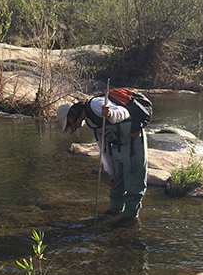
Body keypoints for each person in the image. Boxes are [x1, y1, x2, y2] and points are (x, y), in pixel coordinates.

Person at [57, 94, 148, 228]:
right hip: (117, 147)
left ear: (73, 114)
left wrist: (110, 113)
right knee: (116, 182)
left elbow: (124, 112)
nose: (72, 127)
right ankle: (114, 212)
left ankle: (130, 219)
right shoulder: (90, 121)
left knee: (134, 184)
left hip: (133, 142)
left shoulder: (95, 104)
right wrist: (110, 171)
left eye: (69, 123)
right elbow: (102, 146)